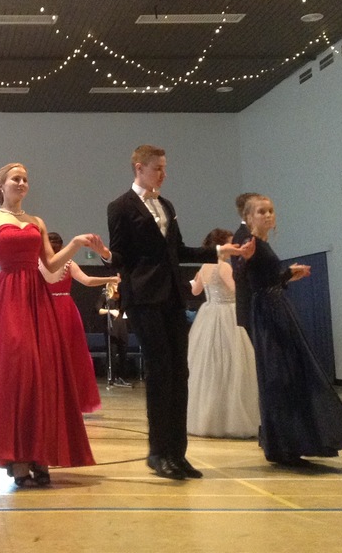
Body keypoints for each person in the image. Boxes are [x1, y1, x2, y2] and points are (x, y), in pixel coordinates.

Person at [0, 162, 110, 488]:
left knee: (41, 374)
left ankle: (39, 455)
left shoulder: (37, 222)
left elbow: (50, 263)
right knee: (19, 369)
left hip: (37, 297)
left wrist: (76, 243)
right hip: (8, 297)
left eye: (25, 179)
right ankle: (18, 457)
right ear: (1, 186)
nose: (22, 183)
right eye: (16, 178)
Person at [105, 145, 252, 481]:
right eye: (157, 168)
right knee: (160, 372)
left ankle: (178, 454)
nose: (163, 174)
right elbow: (120, 255)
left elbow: (179, 251)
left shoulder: (167, 206)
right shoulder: (120, 206)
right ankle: (159, 454)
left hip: (172, 296)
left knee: (179, 373)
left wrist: (220, 251)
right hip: (143, 298)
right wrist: (105, 256)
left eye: (164, 168)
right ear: (139, 168)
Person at [239, 195, 342, 466]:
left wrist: (287, 275)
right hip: (269, 312)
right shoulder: (251, 244)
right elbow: (251, 280)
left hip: (276, 307)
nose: (268, 215)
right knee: (279, 376)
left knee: (288, 374)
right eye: (261, 211)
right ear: (249, 217)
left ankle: (288, 444)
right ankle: (282, 445)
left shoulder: (263, 244)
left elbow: (266, 280)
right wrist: (277, 272)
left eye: (271, 210)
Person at [186, 228, 260, 439]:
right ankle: (228, 418)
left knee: (209, 366)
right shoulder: (224, 266)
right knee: (231, 364)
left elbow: (195, 291)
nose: (234, 246)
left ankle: (207, 418)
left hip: (208, 314)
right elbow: (235, 290)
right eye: (231, 243)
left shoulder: (204, 266)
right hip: (226, 314)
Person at [39, 231, 120, 412]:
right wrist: (111, 279)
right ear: (62, 246)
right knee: (70, 356)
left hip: (44, 308)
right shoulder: (68, 264)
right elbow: (88, 281)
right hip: (65, 310)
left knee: (46, 356)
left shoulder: (37, 265)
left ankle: (47, 399)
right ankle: (68, 400)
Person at [231, 192, 260, 339]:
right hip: (253, 305)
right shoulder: (245, 236)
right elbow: (240, 274)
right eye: (260, 210)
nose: (268, 215)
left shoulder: (250, 235)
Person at [96, 280, 131, 386]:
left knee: (123, 352)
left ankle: (122, 377)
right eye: (115, 284)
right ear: (110, 285)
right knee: (112, 353)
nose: (117, 286)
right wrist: (110, 311)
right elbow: (98, 309)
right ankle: (112, 377)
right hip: (111, 328)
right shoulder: (105, 296)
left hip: (122, 326)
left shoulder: (120, 296)